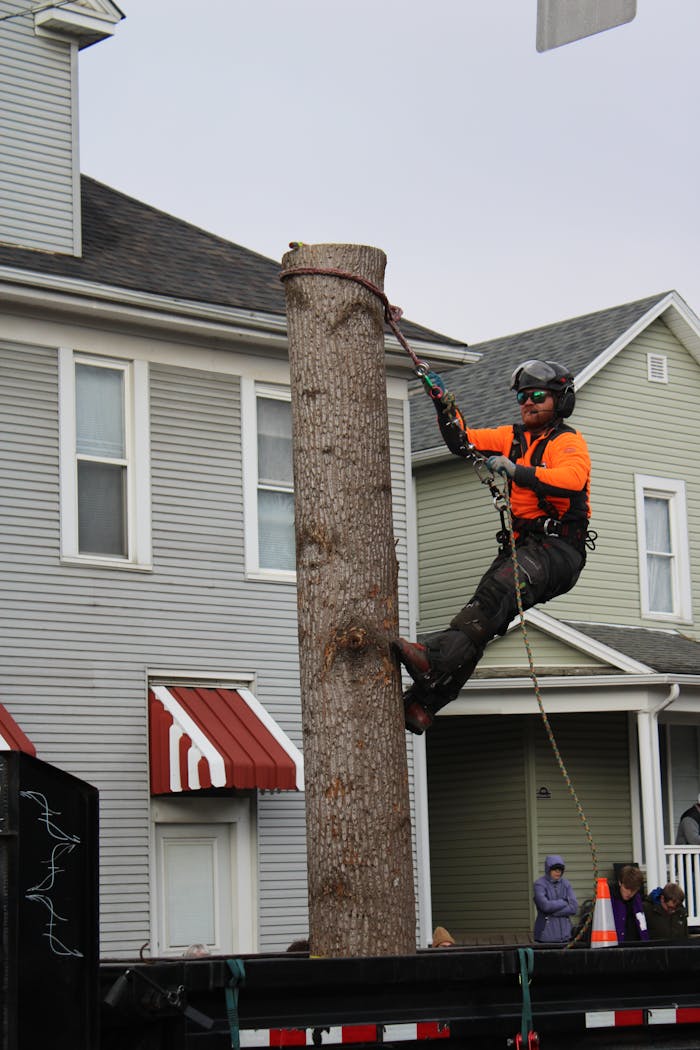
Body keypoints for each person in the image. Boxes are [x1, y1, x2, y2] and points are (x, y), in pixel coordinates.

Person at [395, 360, 592, 733]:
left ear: (560, 401)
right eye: (522, 397)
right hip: (524, 547)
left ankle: (433, 661)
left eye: (537, 396)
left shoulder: (568, 443)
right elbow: (462, 441)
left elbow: (571, 479)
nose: (528, 403)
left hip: (560, 550)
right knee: (481, 617)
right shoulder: (511, 437)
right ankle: (423, 704)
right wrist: (443, 405)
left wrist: (517, 471)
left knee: (497, 592)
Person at [532, 855, 579, 943]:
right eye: (555, 869)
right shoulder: (539, 884)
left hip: (566, 936)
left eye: (560, 869)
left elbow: (574, 907)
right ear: (548, 869)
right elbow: (545, 906)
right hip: (545, 936)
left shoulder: (566, 884)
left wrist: (552, 913)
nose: (558, 872)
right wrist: (564, 901)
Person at [609, 865, 649, 944]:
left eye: (633, 890)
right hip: (616, 948)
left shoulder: (638, 900)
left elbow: (643, 926)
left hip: (636, 947)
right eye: (627, 888)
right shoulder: (610, 899)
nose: (629, 893)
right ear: (620, 883)